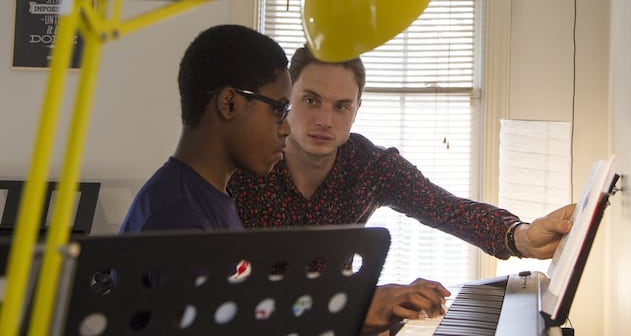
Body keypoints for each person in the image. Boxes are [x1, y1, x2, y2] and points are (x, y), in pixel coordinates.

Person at [119, 24, 448, 335]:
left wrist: (361, 308)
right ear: (229, 104)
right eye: (279, 108)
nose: (287, 127)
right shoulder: (178, 218)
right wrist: (353, 308)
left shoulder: (211, 199)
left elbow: (249, 309)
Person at [229, 45, 575, 266]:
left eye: (341, 106)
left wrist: (520, 236)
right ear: (289, 97)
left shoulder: (370, 166)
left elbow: (446, 208)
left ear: (357, 109)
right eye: (311, 100)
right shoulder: (243, 164)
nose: (324, 119)